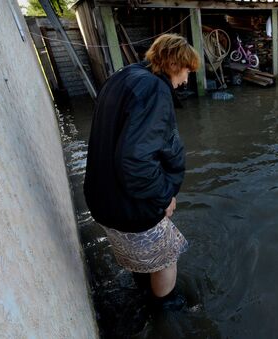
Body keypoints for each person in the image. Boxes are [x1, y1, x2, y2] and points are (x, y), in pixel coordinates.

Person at [84, 34, 199, 309]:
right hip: (128, 206)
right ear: (174, 64)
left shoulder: (122, 76)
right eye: (187, 71)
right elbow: (135, 161)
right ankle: (166, 308)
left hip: (101, 200)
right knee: (167, 256)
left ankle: (143, 289)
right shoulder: (154, 92)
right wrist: (164, 197)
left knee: (141, 256)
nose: (186, 80)